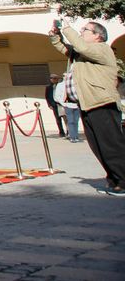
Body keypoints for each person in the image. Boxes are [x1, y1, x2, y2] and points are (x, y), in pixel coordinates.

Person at [50, 19, 125, 196]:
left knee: (111, 145)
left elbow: (81, 47)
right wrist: (55, 37)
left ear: (98, 36)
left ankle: (123, 181)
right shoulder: (83, 53)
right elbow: (67, 49)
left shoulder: (102, 49)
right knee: (98, 147)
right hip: (88, 105)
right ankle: (115, 180)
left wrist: (67, 28)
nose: (82, 31)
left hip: (103, 103)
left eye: (85, 30)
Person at [59, 66, 84, 144]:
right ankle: (72, 137)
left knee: (76, 121)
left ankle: (76, 136)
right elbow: (58, 95)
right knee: (71, 121)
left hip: (76, 105)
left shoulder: (75, 82)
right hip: (68, 105)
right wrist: (63, 103)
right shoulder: (62, 84)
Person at [44, 74, 65, 139]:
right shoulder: (48, 87)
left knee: (65, 118)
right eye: (52, 78)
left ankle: (68, 131)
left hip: (60, 104)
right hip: (54, 105)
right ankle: (61, 132)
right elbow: (47, 96)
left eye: (55, 78)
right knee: (58, 119)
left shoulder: (60, 86)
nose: (53, 80)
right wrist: (49, 105)